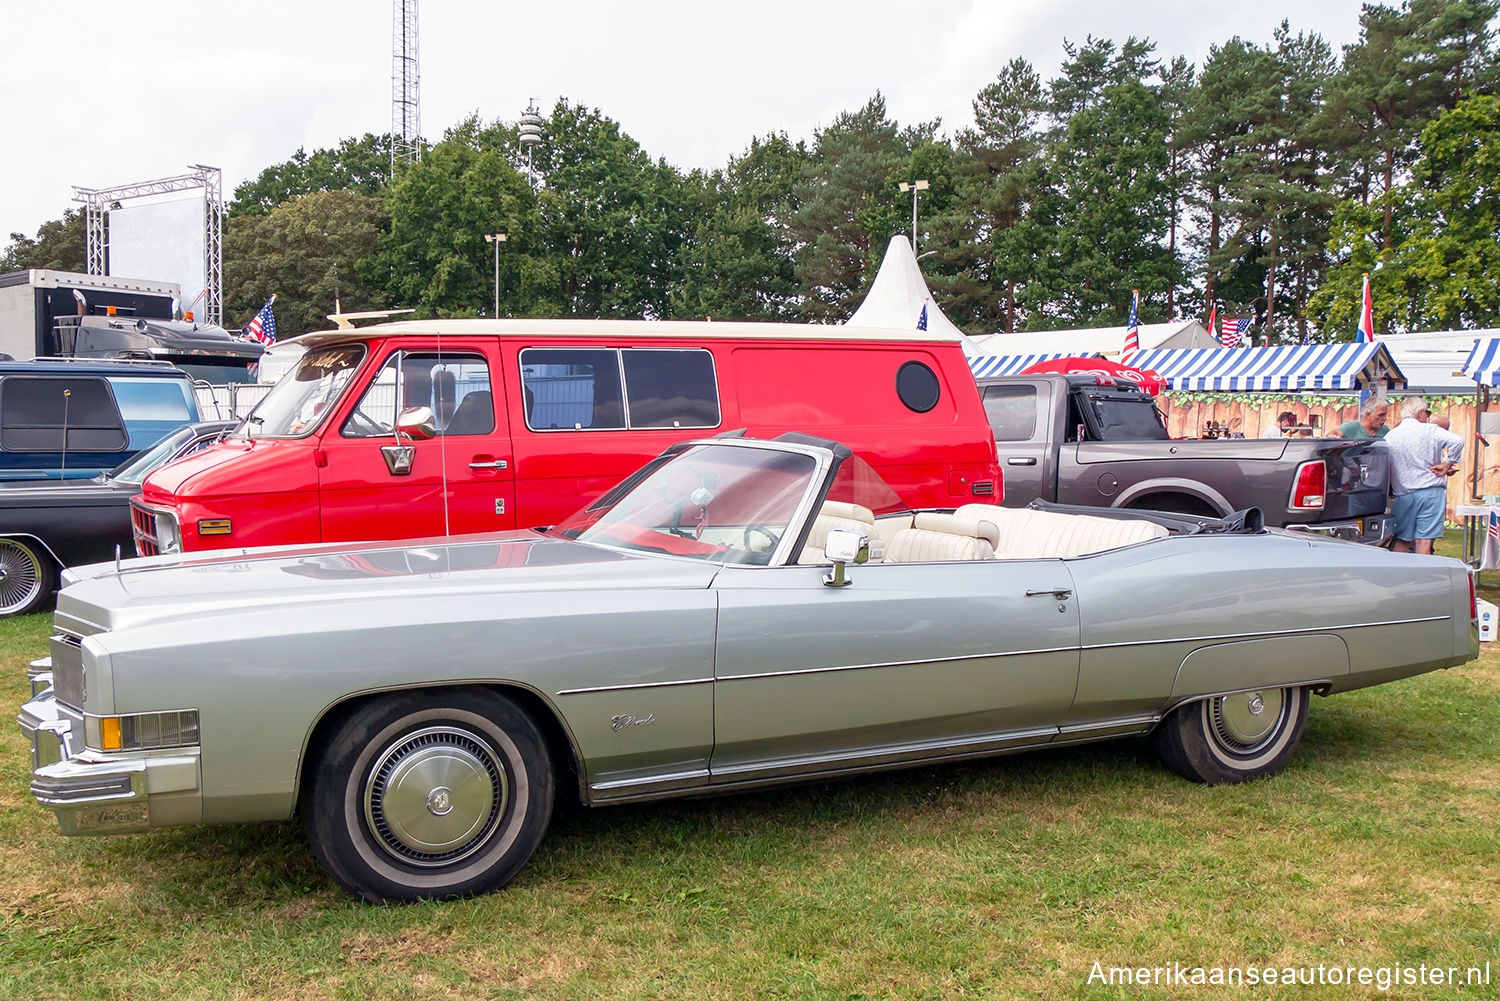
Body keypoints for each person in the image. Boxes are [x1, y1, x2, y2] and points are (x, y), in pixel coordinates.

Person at [1385, 396, 1464, 555]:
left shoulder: (1390, 436)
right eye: (1427, 412)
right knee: (1424, 541)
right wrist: (1447, 463)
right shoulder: (1430, 430)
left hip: (1403, 494)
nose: (1428, 416)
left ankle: (1396, 576)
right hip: (1430, 492)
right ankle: (1422, 578)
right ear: (1419, 412)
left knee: (1402, 540)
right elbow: (1458, 441)